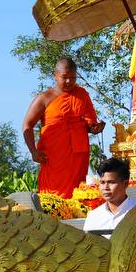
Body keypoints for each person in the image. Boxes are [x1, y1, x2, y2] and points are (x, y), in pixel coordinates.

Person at [23, 58, 104, 198]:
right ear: (55, 75)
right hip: (54, 155)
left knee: (77, 192)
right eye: (64, 77)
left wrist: (95, 128)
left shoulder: (82, 94)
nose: (69, 81)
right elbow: (27, 125)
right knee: (53, 194)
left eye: (73, 78)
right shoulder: (44, 98)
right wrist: (33, 151)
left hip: (78, 153)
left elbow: (90, 122)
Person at [83, 157, 136, 234]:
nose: (105, 187)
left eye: (111, 182)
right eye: (102, 182)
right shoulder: (93, 217)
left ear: (125, 184)